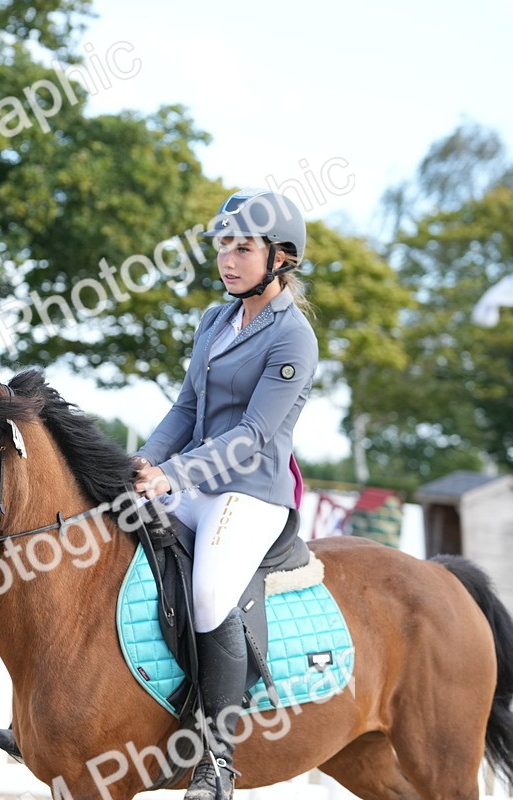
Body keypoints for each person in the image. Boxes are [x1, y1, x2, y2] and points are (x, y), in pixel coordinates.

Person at [131, 190, 319, 799]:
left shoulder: (293, 338)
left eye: (243, 248)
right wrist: (146, 461)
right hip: (190, 477)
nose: (227, 260)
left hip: (251, 492)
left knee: (211, 594)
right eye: (222, 246)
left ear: (281, 257)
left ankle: (217, 758)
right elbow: (186, 408)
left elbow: (256, 435)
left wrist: (174, 476)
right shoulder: (215, 319)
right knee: (110, 531)